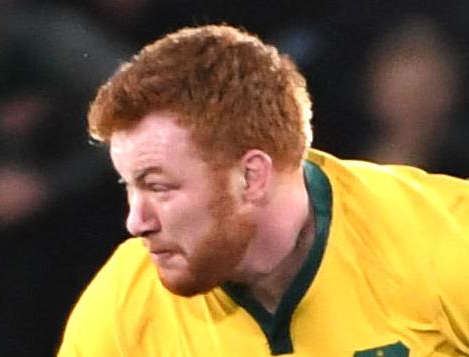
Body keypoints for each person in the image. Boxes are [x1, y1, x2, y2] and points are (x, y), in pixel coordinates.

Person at [57, 24, 469, 356]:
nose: (135, 222)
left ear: (252, 177)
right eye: (128, 186)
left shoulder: (445, 242)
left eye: (159, 187)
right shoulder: (126, 302)